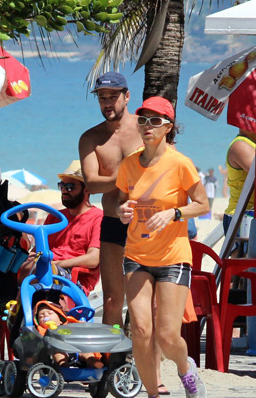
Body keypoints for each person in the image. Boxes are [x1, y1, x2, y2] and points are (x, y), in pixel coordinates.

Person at [116, 96, 209, 398]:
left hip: (173, 257)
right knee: (140, 329)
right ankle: (153, 397)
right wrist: (122, 211)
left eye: (155, 121)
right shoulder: (129, 165)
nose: (147, 126)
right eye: (143, 119)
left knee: (168, 336)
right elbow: (123, 203)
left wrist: (175, 213)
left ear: (169, 127)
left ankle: (186, 370)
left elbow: (203, 204)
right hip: (137, 255)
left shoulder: (180, 163)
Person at [78, 71, 143, 327]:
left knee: (146, 300)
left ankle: (148, 361)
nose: (107, 103)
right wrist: (129, 174)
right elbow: (92, 183)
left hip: (146, 224)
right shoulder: (91, 138)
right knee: (112, 299)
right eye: (102, 97)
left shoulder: (146, 128)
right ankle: (111, 360)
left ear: (126, 96)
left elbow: (168, 168)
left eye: (113, 96)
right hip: (113, 222)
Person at [18, 160, 103, 295]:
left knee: (40, 270)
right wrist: (31, 259)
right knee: (17, 268)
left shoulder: (97, 218)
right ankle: (16, 312)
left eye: (70, 186)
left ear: (87, 188)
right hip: (47, 267)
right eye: (62, 186)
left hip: (75, 276)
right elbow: (36, 250)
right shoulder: (55, 216)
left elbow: (93, 259)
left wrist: (56, 264)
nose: (64, 190)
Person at [34, 300, 103, 369]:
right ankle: (63, 367)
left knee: (88, 353)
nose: (46, 316)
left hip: (77, 348)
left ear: (60, 319)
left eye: (50, 313)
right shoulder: (42, 330)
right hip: (60, 350)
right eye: (41, 316)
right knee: (59, 355)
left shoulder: (69, 324)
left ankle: (94, 363)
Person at [223, 129, 256, 234]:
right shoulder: (241, 146)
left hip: (251, 213)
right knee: (243, 251)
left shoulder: (253, 143)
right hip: (242, 215)